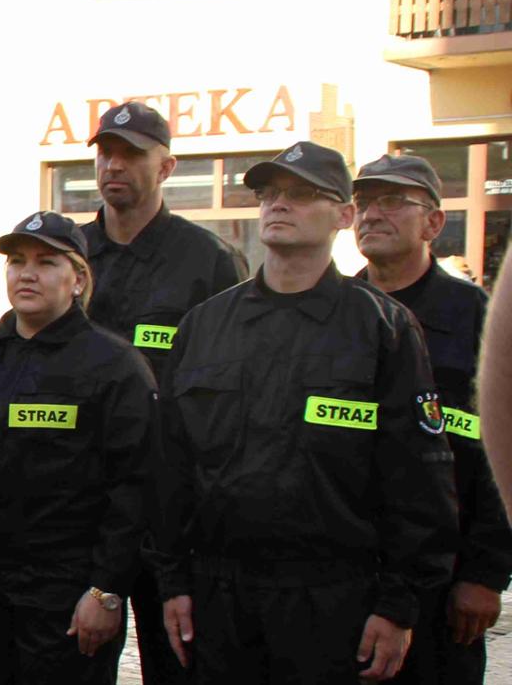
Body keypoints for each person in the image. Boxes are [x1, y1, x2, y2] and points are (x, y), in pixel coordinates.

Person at [150, 141, 461, 683]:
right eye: (270, 194)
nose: (278, 204)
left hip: (334, 598)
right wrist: (173, 582)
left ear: (343, 215)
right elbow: (172, 467)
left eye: (301, 194)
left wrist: (398, 604)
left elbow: (418, 477)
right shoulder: (204, 326)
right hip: (221, 596)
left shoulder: (381, 328)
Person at [0, 211, 154, 684]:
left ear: (79, 278)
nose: (27, 273)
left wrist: (107, 590)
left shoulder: (115, 366)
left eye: (46, 262)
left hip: (66, 598)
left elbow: (136, 487)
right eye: (17, 261)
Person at [77, 101, 244, 685]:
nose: (113, 165)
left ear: (167, 166)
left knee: (180, 664)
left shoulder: (208, 262)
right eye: (105, 153)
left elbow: (232, 391)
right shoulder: (67, 253)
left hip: (172, 504)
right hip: (81, 503)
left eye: (131, 154)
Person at [352, 154, 511, 685]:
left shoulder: (476, 316)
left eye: (392, 201)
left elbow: (503, 447)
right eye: (363, 203)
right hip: (344, 574)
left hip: (445, 583)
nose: (372, 214)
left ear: (434, 223)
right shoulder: (334, 312)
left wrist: (487, 573)